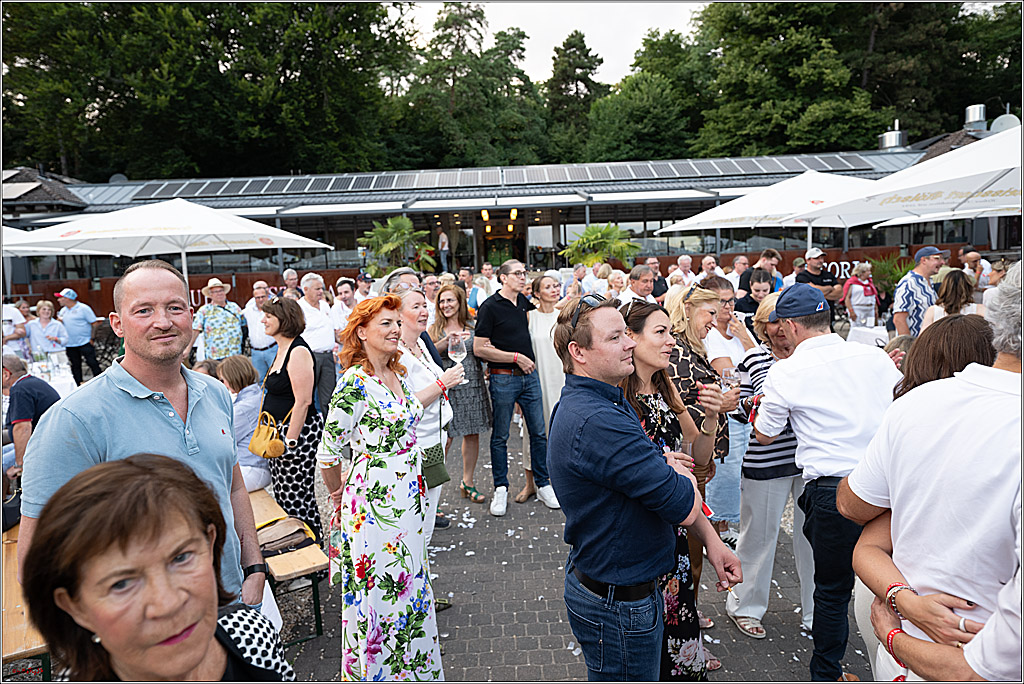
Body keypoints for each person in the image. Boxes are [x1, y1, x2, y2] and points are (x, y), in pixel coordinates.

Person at [20, 259, 265, 606]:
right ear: (117, 324)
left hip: (233, 603)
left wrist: (253, 567)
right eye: (144, 310)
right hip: (148, 628)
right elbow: (37, 557)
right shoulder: (74, 418)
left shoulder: (215, 393)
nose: (162, 322)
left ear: (191, 316)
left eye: (174, 308)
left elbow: (234, 486)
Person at [837, 263, 1021, 681]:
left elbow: (857, 514)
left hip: (908, 650)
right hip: (940, 656)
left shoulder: (918, 404)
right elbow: (983, 670)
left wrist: (896, 631)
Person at [548, 294, 740, 682]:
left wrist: (669, 468)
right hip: (619, 599)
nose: (630, 344)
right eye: (616, 337)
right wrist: (675, 472)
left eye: (627, 334)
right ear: (578, 352)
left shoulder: (606, 399)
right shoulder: (599, 419)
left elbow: (682, 464)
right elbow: (683, 500)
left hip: (626, 583)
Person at [22, 454, 293, 681]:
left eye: (181, 557)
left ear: (210, 545)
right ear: (74, 606)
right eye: (121, 583)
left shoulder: (253, 637)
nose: (168, 603)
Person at [752, 283, 902, 681]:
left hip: (833, 490)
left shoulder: (785, 370)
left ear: (789, 326)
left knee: (833, 590)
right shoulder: (874, 357)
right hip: (887, 485)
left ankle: (828, 673)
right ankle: (897, 667)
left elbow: (765, 434)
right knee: (895, 586)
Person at [318, 295, 445, 682]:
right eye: (384, 324)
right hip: (373, 502)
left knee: (411, 587)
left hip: (408, 495)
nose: (394, 330)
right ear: (361, 333)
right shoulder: (355, 383)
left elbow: (409, 418)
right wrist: (338, 493)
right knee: (380, 593)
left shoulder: (400, 372)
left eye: (395, 322)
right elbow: (328, 452)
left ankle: (413, 672)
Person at [618, 299, 728, 680]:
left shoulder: (665, 387)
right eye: (660, 333)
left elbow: (697, 454)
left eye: (670, 332)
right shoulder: (618, 396)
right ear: (630, 338)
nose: (670, 342)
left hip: (675, 527)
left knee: (678, 618)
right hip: (641, 531)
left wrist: (712, 416)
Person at [725, 293, 815, 640]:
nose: (779, 328)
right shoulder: (755, 358)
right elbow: (744, 410)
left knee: (812, 540)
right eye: (772, 321)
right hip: (766, 460)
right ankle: (745, 606)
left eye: (784, 320)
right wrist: (749, 401)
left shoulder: (812, 357)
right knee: (758, 538)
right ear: (762, 326)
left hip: (809, 462)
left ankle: (815, 610)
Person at [664, 284, 734, 662]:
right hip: (685, 463)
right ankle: (685, 629)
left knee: (692, 554)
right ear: (687, 310)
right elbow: (673, 411)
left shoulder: (694, 348)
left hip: (699, 459)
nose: (716, 318)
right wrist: (714, 407)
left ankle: (687, 615)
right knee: (688, 554)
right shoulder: (674, 351)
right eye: (710, 312)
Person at [473, 259, 559, 516]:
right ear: (503, 278)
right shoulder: (490, 307)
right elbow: (479, 348)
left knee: (538, 432)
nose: (523, 277)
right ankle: (501, 488)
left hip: (529, 378)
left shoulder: (523, 304)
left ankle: (543, 484)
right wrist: (514, 357)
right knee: (500, 436)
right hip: (503, 377)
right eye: (518, 273)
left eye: (524, 273)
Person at [395, 286, 464, 543]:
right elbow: (404, 406)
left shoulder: (422, 343)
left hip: (435, 441)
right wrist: (443, 383)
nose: (425, 311)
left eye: (425, 305)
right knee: (417, 522)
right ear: (398, 315)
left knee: (427, 517)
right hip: (416, 448)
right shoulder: (397, 355)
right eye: (416, 307)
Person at [260, 295, 324, 543]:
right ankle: (296, 548)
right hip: (280, 433)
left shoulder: (298, 351)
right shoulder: (282, 347)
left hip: (296, 434)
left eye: (269, 315)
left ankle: (310, 555)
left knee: (297, 497)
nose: (263, 320)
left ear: (283, 319)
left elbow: (303, 401)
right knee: (285, 496)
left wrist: (290, 441)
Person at [702, 276, 757, 550]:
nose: (729, 306)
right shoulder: (711, 334)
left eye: (732, 299)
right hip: (727, 413)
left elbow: (759, 362)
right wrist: (748, 343)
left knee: (735, 475)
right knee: (723, 476)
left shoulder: (737, 330)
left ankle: (722, 528)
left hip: (743, 411)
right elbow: (729, 372)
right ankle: (711, 532)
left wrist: (745, 338)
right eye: (722, 301)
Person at [430, 284, 491, 505]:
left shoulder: (473, 326)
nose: (445, 305)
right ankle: (433, 490)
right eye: (442, 301)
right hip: (447, 387)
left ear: (460, 302)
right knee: (444, 438)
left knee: (472, 434)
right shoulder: (434, 330)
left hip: (472, 383)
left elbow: (482, 351)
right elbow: (427, 356)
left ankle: (468, 482)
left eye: (450, 300)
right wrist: (444, 342)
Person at [513, 273, 565, 504]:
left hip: (561, 381)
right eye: (548, 287)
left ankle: (561, 482)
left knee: (560, 433)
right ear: (536, 293)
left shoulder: (563, 317)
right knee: (534, 433)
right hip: (536, 381)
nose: (554, 289)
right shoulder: (528, 318)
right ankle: (530, 484)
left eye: (556, 286)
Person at [217, 355, 271, 492]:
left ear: (233, 377)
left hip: (251, 468)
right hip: (254, 466)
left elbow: (224, 440)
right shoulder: (257, 394)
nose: (224, 384)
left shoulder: (244, 407)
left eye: (223, 380)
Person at [2, 355, 60, 480]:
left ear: (6, 374)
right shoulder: (29, 382)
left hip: (43, 446)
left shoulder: (20, 389)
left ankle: (7, 498)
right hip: (43, 440)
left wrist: (19, 464)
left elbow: (23, 428)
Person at [297, 273, 337, 416]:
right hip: (309, 357)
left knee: (329, 397)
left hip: (327, 356)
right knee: (307, 397)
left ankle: (329, 430)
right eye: (317, 289)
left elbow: (333, 330)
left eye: (321, 288)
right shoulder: (298, 308)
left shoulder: (325, 306)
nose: (321, 291)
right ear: (305, 289)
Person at [893, 246, 947, 337]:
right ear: (924, 260)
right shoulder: (909, 283)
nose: (942, 262)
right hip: (916, 346)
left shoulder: (928, 282)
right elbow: (899, 319)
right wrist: (909, 346)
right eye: (937, 258)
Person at [55, 287, 103, 384]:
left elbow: (94, 323)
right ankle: (77, 385)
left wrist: (92, 338)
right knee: (75, 366)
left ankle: (101, 382)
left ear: (67, 298)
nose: (58, 300)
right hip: (70, 344)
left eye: (61, 298)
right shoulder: (63, 310)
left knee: (92, 363)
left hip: (84, 341)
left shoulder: (83, 308)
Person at [192, 278, 244, 362]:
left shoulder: (235, 307)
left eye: (221, 290)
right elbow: (195, 330)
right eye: (215, 292)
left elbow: (244, 324)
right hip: (216, 357)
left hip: (235, 355)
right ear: (210, 295)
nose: (219, 293)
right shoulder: (204, 311)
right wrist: (187, 349)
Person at [920, 269, 985, 333]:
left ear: (944, 288)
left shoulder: (932, 311)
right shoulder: (980, 309)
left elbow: (922, 337)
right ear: (969, 288)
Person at [796, 248, 842, 324]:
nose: (820, 260)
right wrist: (829, 288)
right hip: (810, 318)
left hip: (828, 318)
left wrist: (817, 292)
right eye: (816, 258)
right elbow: (810, 292)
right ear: (808, 260)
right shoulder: (802, 276)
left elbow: (840, 293)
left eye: (821, 258)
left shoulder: (828, 275)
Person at [243, 284, 276, 384]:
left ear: (267, 296)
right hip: (256, 352)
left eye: (263, 297)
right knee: (260, 381)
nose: (261, 299)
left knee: (276, 378)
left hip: (272, 349)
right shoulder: (247, 311)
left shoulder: (274, 310)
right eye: (258, 297)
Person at [843, 262, 878, 328]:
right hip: (858, 309)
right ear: (862, 272)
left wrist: (876, 309)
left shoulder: (870, 282)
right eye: (868, 271)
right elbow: (847, 298)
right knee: (857, 329)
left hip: (870, 309)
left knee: (871, 328)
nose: (870, 273)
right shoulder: (852, 282)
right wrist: (851, 311)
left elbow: (874, 296)